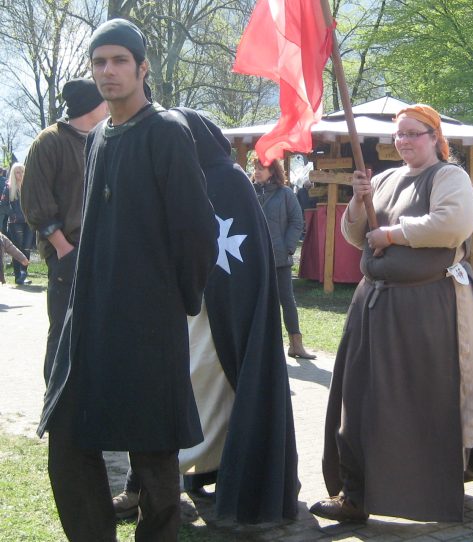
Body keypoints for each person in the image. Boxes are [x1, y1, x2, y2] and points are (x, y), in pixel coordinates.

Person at [36, 18, 218, 541]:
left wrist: (172, 300)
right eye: (99, 62)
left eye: (119, 60)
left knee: (154, 454)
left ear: (142, 68)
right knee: (67, 440)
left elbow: (197, 230)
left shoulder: (167, 132)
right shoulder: (98, 139)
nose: (108, 71)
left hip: (148, 322)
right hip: (91, 315)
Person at [310, 104, 473, 523]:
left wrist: (391, 233)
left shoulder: (449, 177)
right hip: (374, 305)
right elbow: (353, 236)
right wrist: (359, 202)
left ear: (435, 137)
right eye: (397, 135)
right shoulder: (382, 179)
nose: (402, 141)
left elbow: (451, 224)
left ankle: (433, 490)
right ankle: (356, 493)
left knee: (428, 403)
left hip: (429, 310)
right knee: (359, 400)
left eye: (412, 134)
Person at [114, 109, 300, 524]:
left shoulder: (229, 181)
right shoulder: (171, 174)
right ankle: (146, 483)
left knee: (205, 393)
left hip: (214, 320)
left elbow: (239, 257)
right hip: (173, 311)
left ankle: (163, 480)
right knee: (167, 394)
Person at [21, 77, 108, 381]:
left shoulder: (103, 138)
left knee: (99, 335)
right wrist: (64, 249)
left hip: (102, 254)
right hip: (67, 254)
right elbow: (36, 204)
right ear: (91, 105)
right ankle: (55, 412)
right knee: (63, 334)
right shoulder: (50, 141)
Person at [253, 159, 315, 359]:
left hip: (279, 258)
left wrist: (287, 248)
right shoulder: (250, 192)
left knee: (287, 300)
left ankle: (296, 344)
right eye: (255, 168)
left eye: (260, 169)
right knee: (258, 302)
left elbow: (297, 221)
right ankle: (262, 346)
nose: (257, 172)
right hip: (256, 258)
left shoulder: (286, 193)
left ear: (272, 171)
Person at [0, 163, 34, 284]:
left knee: (27, 248)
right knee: (17, 249)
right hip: (15, 223)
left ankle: (24, 274)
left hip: (29, 222)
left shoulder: (29, 187)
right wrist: (13, 214)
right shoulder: (9, 187)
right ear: (14, 174)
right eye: (18, 172)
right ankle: (18, 275)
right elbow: (3, 205)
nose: (20, 175)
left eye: (22, 172)